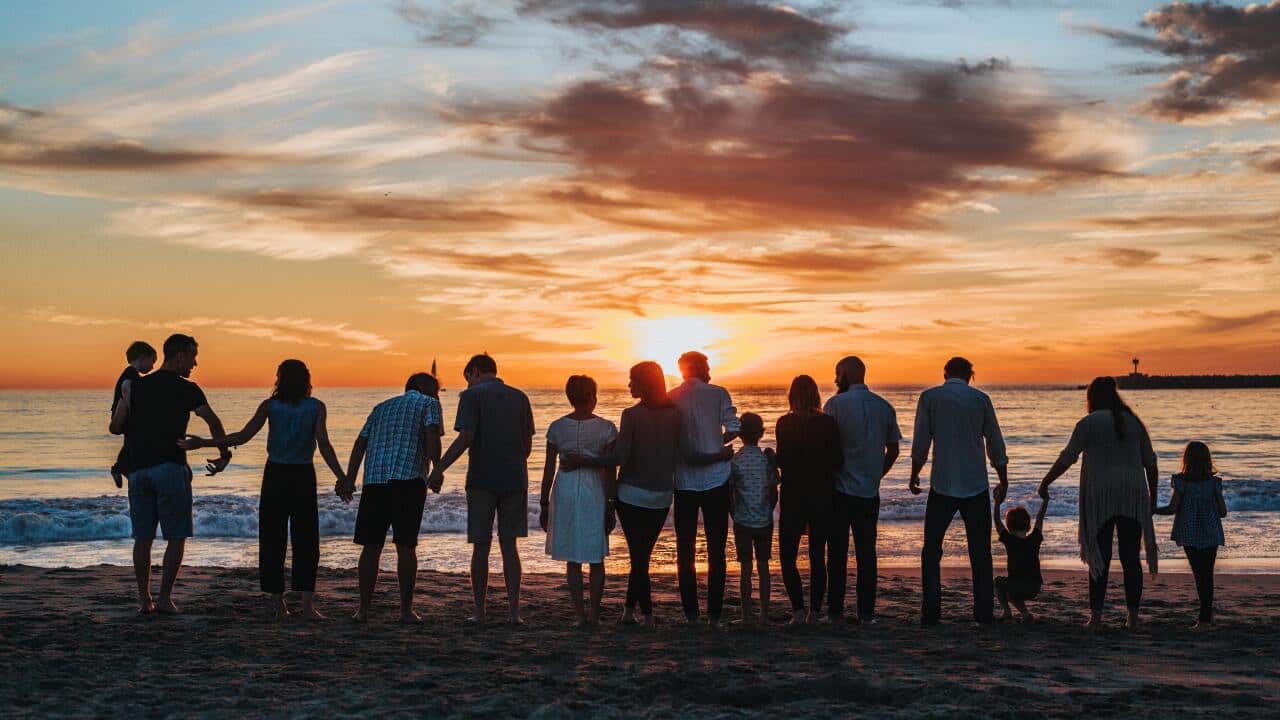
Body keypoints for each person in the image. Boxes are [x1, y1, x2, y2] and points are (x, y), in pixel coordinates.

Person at [179, 359, 346, 620]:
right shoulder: (315, 407)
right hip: (302, 475)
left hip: (276, 475)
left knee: (273, 538)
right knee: (306, 540)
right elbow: (324, 444)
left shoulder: (271, 406)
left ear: (280, 379)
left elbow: (242, 437)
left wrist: (205, 443)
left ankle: (278, 603)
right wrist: (342, 476)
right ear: (306, 380)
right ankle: (307, 605)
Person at [109, 333, 231, 615]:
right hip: (170, 468)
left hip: (138, 471)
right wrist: (224, 455)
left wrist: (127, 401)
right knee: (176, 535)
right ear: (179, 356)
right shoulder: (188, 389)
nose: (195, 363)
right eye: (192, 356)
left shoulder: (135, 386)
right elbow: (213, 422)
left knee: (143, 538)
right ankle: (163, 598)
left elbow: (116, 427)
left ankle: (144, 601)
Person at [564, 361, 682, 629]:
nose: (629, 385)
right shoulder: (676, 414)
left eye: (632, 381)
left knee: (639, 557)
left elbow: (618, 457)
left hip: (631, 495)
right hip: (662, 495)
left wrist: (583, 459)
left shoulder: (631, 415)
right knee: (642, 555)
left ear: (644, 384)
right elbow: (679, 452)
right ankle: (629, 611)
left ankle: (648, 616)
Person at [1038, 376, 1158, 630]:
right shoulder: (1134, 422)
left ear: (1091, 397)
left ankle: (1096, 617)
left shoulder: (1088, 424)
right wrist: (1153, 497)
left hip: (1099, 496)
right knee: (1130, 558)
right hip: (1132, 495)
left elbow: (1067, 458)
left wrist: (1046, 482)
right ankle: (1133, 617)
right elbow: (1151, 463)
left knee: (1098, 555)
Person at [428, 354, 534, 625]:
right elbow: (527, 448)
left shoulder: (471, 396)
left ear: (474, 372)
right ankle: (514, 612)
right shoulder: (520, 397)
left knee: (481, 546)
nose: (468, 383)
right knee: (510, 547)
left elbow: (466, 437)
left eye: (468, 378)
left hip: (482, 479)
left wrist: (439, 468)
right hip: (515, 478)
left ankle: (480, 611)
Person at [336, 373, 443, 623]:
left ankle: (362, 610)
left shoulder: (381, 407)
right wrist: (437, 468)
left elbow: (360, 443)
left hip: (375, 480)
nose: (438, 394)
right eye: (435, 389)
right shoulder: (429, 404)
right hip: (408, 480)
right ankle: (406, 611)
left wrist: (350, 478)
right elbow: (431, 435)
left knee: (371, 546)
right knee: (406, 546)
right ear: (421, 387)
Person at [910, 356, 1008, 626]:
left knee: (932, 550)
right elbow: (995, 442)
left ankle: (931, 612)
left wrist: (914, 473)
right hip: (975, 483)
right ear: (970, 375)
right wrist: (1003, 477)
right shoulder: (981, 400)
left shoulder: (930, 398)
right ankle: (983, 613)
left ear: (945, 374)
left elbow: (921, 441)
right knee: (980, 552)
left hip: (942, 483)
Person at [823, 357, 901, 625]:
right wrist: (877, 474)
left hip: (840, 490)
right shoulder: (884, 407)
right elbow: (894, 449)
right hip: (869, 490)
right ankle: (865, 613)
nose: (835, 380)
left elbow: (826, 446)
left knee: (837, 554)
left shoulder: (834, 405)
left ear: (846, 374)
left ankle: (835, 612)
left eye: (837, 374)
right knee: (867, 554)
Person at [669, 351, 740, 630]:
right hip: (716, 481)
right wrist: (715, 442)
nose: (710, 369)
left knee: (684, 549)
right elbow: (734, 428)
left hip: (684, 481)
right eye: (708, 365)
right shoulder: (719, 393)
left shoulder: (671, 396)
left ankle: (691, 615)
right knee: (716, 549)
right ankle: (714, 616)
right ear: (701, 367)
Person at [539, 375, 617, 627]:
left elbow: (549, 468)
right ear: (593, 397)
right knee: (596, 556)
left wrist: (543, 503)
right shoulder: (605, 428)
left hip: (566, 489)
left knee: (573, 557)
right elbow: (610, 468)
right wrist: (611, 502)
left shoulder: (557, 427)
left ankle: (579, 616)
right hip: (594, 489)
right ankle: (594, 615)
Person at [774, 375, 842, 625]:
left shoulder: (784, 423)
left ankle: (798, 611)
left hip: (793, 495)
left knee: (788, 555)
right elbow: (837, 460)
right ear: (816, 395)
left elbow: (782, 460)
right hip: (823, 494)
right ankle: (814, 611)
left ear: (791, 396)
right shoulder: (828, 423)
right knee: (817, 555)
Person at [1155, 441, 1227, 629]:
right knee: (1207, 574)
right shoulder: (1214, 483)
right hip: (1211, 532)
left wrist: (1153, 510)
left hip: (1189, 532)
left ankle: (1203, 620)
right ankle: (1206, 617)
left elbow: (1172, 508)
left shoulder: (1181, 482)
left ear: (1186, 459)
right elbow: (1223, 512)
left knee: (1199, 574)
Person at [728, 412, 777, 626]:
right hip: (764, 520)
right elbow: (774, 490)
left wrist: (734, 513)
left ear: (740, 434)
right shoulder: (766, 459)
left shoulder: (735, 460)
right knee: (764, 567)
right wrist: (768, 508)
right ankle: (764, 615)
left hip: (743, 521)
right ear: (761, 433)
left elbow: (730, 493)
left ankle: (746, 616)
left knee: (745, 569)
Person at [993, 496, 1049, 623]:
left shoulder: (1010, 540)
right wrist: (1046, 500)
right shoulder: (1035, 538)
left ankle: (1007, 612)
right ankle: (1025, 614)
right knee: (1011, 592)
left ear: (1009, 527)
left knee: (998, 582)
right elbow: (1040, 517)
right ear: (1028, 525)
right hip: (1034, 586)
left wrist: (997, 502)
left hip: (1018, 585)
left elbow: (996, 520)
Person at [110, 341, 157, 488]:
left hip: (123, 414)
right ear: (142, 357)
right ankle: (119, 468)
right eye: (152, 361)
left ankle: (121, 468)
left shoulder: (129, 373)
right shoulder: (131, 374)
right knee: (132, 441)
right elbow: (129, 392)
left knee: (130, 442)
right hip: (126, 414)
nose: (153, 366)